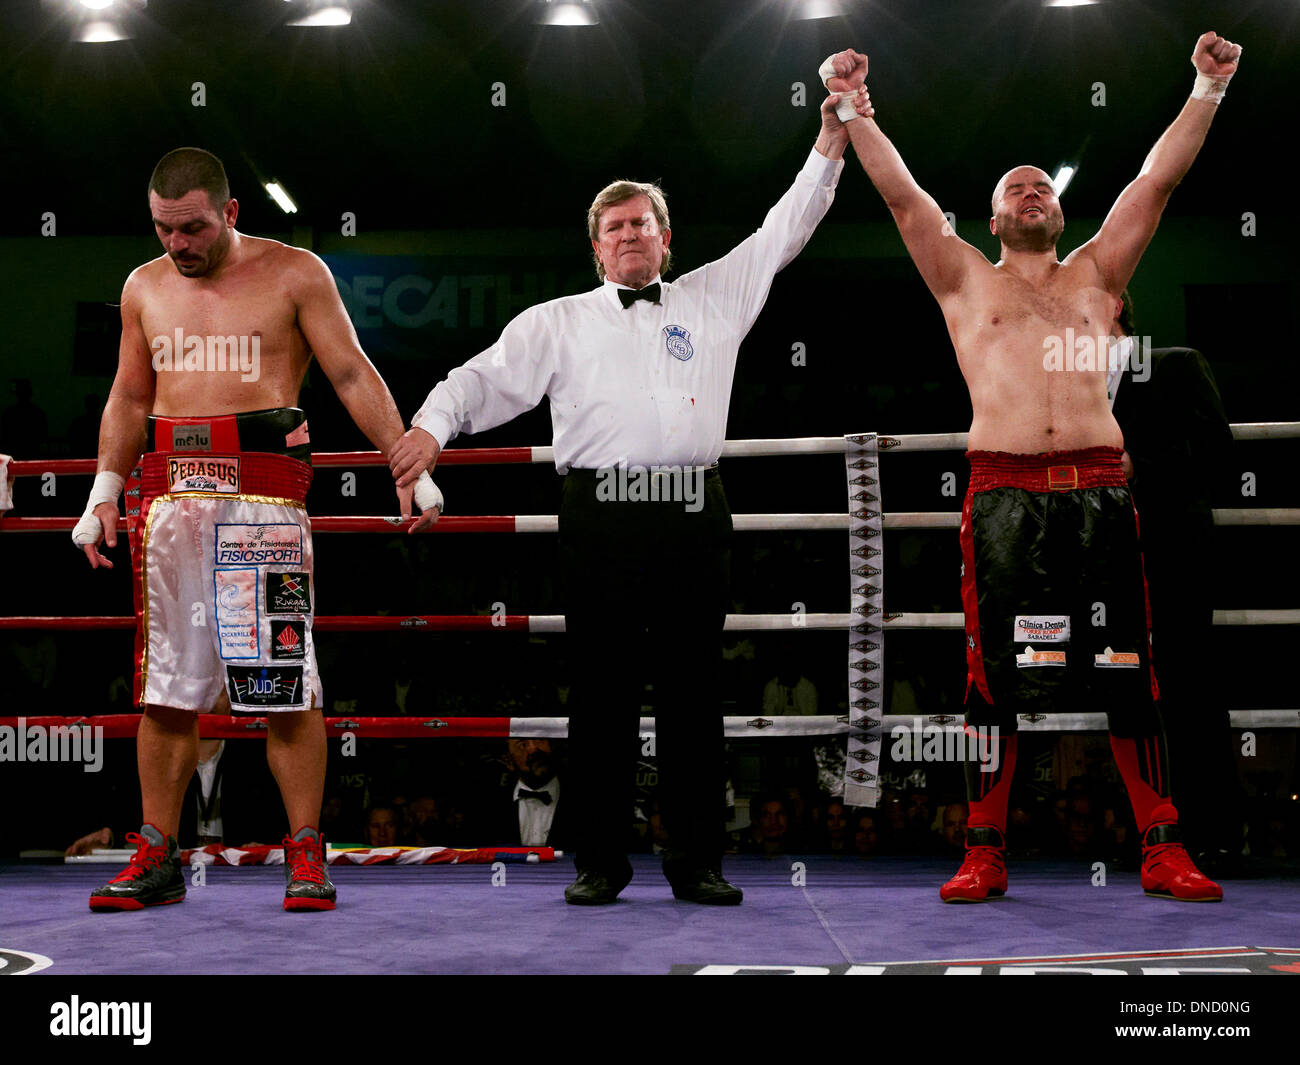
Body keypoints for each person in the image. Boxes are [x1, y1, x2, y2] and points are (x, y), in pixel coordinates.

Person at [389, 95, 854, 905]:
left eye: (643, 223)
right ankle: (599, 860)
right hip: (600, 514)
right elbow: (478, 379)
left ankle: (697, 860)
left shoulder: (716, 295)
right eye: (616, 228)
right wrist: (430, 431)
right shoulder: (557, 322)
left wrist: (830, 135)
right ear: (597, 251)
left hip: (690, 510)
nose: (631, 235)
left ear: (665, 239)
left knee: (692, 692)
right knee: (600, 692)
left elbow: (788, 224)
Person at [821, 32, 1241, 902]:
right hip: (1002, 493)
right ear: (993, 217)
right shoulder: (964, 280)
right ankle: (983, 847)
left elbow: (1155, 180)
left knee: (1129, 665)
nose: (1032, 189)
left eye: (1043, 183)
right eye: (1016, 186)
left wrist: (1206, 87)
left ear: (1057, 212)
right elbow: (903, 198)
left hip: (1101, 488)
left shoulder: (1098, 271)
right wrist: (857, 107)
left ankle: (1162, 846)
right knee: (996, 677)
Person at [73, 147, 442, 912]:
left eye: (194, 229)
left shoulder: (295, 272)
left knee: (281, 684)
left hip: (262, 502)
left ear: (231, 213)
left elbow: (349, 371)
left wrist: (405, 462)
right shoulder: (143, 285)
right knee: (166, 688)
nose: (179, 245)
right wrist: (104, 488)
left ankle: (305, 852)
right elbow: (128, 394)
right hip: (171, 502)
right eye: (165, 230)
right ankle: (157, 853)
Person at [1109, 292, 1244, 873]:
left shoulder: (1174, 363)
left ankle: (1212, 833)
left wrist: (1143, 462)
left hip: (1173, 550)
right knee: (1123, 689)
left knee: (1190, 683)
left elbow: (1218, 451)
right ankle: (1152, 834)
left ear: (1113, 304)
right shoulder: (1062, 388)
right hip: (1105, 560)